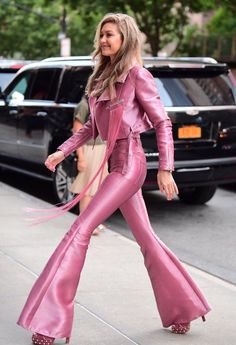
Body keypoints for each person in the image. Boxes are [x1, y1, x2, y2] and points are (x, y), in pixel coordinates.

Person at [17, 13, 211, 345]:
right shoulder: (101, 78)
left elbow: (162, 122)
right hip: (114, 162)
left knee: (79, 230)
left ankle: (48, 322)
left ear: (126, 38)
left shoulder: (137, 76)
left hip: (130, 163)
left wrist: (165, 168)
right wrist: (62, 151)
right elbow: (93, 127)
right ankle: (183, 309)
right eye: (102, 35)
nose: (104, 40)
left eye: (111, 34)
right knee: (147, 239)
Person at [70, 95, 109, 235]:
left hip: (101, 148)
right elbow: (77, 132)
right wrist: (80, 157)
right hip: (90, 149)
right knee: (87, 189)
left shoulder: (99, 103)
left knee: (98, 189)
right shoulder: (84, 105)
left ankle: (93, 222)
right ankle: (85, 224)